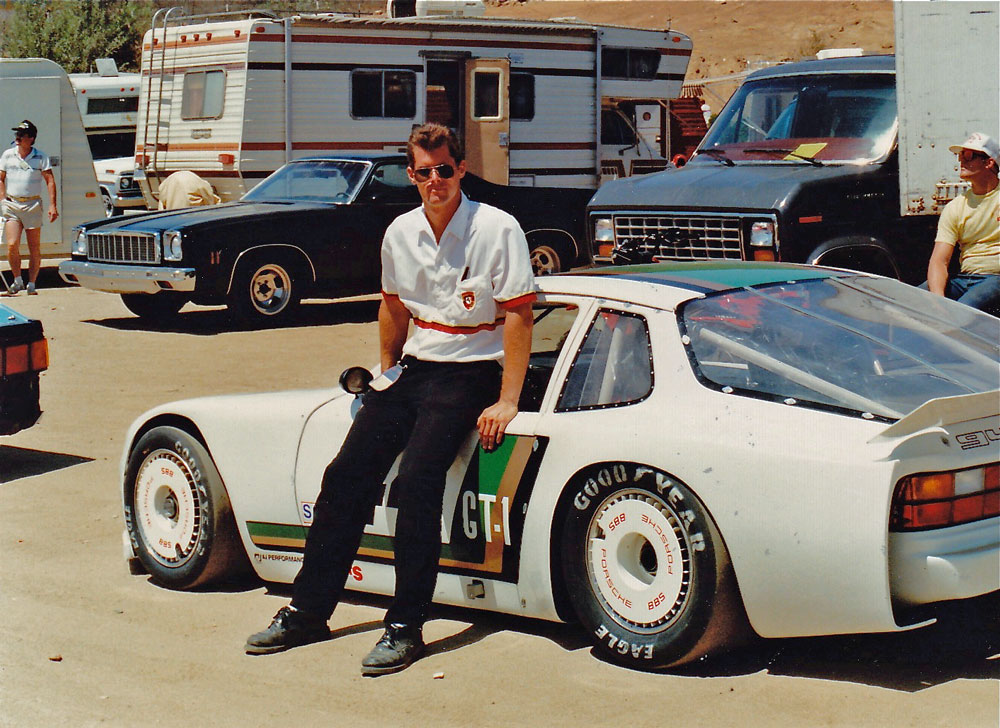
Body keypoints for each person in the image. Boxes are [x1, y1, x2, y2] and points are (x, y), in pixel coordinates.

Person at [245, 123, 536, 676]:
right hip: (416, 367)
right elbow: (392, 307)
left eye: (444, 170)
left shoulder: (497, 228)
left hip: (472, 368)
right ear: (411, 175)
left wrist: (507, 400)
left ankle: (404, 627)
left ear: (461, 169)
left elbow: (519, 315)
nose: (435, 181)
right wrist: (386, 376)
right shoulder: (400, 231)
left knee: (419, 482)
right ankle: (308, 611)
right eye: (424, 172)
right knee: (345, 476)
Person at [925, 132, 1000, 314]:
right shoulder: (956, 207)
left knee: (962, 312)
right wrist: (937, 301)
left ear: (989, 163)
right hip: (964, 279)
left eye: (969, 156)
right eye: (960, 155)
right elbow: (939, 261)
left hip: (995, 279)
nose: (961, 161)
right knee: (914, 301)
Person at [0, 120, 58, 295]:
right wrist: (2, 199)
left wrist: (52, 205)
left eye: (22, 135)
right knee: (12, 244)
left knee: (34, 247)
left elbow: (50, 180)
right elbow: (0, 178)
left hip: (32, 205)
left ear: (31, 138)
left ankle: (32, 283)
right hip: (12, 204)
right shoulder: (8, 155)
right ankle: (17, 280)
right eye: (17, 134)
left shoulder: (41, 157)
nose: (17, 138)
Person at [157, 170, 221, 210]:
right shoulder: (198, 184)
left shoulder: (167, 183)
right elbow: (210, 201)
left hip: (172, 217)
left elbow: (162, 202)